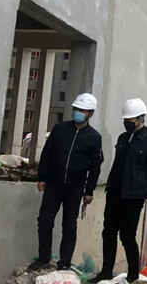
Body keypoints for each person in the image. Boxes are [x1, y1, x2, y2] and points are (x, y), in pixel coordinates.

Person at [88, 98, 147, 284]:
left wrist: (143, 192)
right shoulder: (123, 138)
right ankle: (106, 271)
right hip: (115, 193)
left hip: (133, 196)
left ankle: (132, 275)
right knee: (108, 233)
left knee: (127, 236)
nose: (127, 123)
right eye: (126, 119)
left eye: (130, 120)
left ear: (140, 118)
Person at [28, 93, 103, 272]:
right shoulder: (60, 129)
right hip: (54, 183)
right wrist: (42, 177)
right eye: (76, 109)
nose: (78, 112)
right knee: (44, 220)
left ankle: (64, 262)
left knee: (69, 225)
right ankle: (44, 257)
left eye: (82, 110)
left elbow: (95, 166)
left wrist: (89, 190)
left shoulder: (94, 137)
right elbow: (47, 152)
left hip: (75, 187)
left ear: (90, 114)